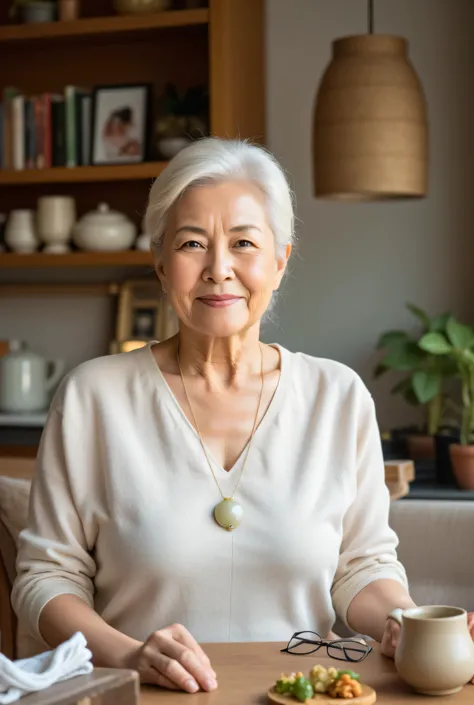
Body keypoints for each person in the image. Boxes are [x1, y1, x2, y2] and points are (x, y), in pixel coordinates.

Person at [11, 138, 429, 692]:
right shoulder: (94, 397)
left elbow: (362, 568)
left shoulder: (338, 396)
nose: (218, 268)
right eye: (191, 244)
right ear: (160, 264)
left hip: (299, 698)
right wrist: (132, 654)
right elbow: (45, 578)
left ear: (280, 262)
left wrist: (403, 621)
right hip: (144, 696)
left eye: (243, 243)